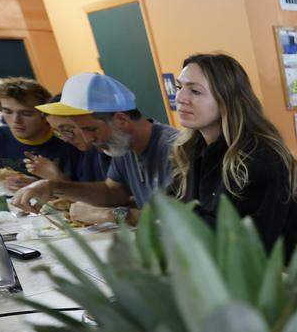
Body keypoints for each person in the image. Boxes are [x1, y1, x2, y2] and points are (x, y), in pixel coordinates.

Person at [168, 53, 297, 270]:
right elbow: (168, 210)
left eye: (195, 91)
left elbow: (255, 244)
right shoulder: (190, 151)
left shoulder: (261, 158)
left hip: (279, 283)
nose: (181, 98)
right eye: (179, 87)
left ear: (226, 100)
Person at [12, 73, 177, 225]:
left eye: (91, 129)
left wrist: (109, 215)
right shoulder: (124, 145)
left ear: (121, 120)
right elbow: (112, 192)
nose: (87, 138)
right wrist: (52, 186)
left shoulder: (175, 150)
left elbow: (179, 222)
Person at [25, 94, 111, 185]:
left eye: (67, 129)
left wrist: (57, 179)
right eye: (58, 132)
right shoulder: (85, 153)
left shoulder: (111, 150)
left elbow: (107, 197)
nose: (65, 139)